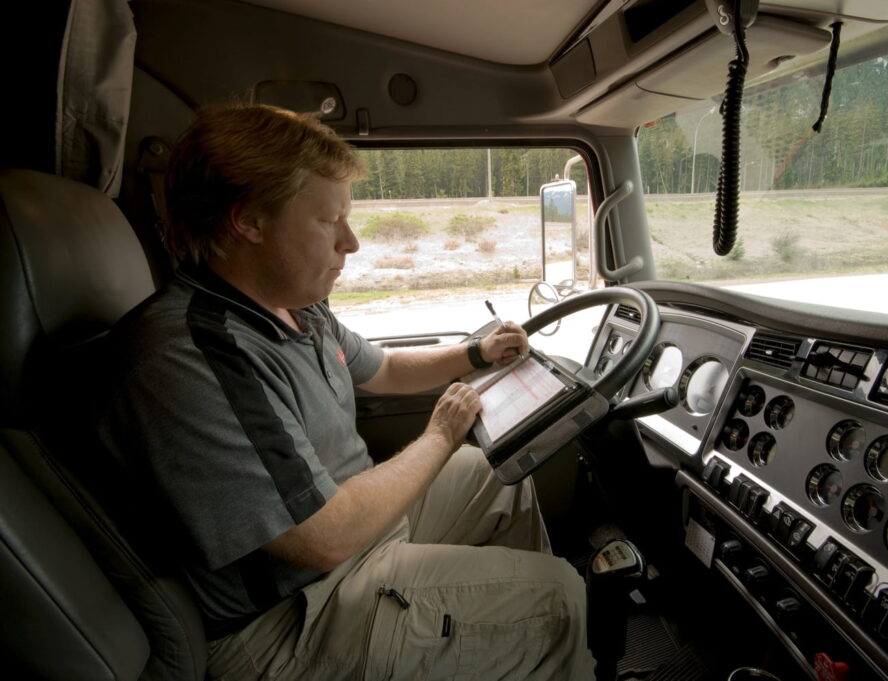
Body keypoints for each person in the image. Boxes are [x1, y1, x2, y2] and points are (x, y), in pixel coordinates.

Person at [98, 103, 596, 680]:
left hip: (351, 544)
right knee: (558, 598)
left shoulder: (296, 306)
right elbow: (323, 538)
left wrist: (472, 356)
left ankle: (501, 648)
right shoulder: (194, 357)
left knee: (495, 472)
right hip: (289, 619)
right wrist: (438, 432)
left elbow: (381, 369)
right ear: (249, 222)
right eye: (328, 220)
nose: (351, 242)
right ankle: (524, 635)